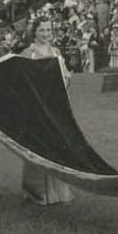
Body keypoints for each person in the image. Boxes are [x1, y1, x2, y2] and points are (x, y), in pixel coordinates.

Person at [19, 17, 75, 206]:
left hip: (55, 105)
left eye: (48, 30)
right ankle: (36, 190)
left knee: (56, 145)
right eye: (42, 30)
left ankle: (57, 189)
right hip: (37, 107)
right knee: (38, 145)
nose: (45, 34)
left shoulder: (56, 52)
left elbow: (65, 76)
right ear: (34, 32)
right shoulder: (29, 53)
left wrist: (65, 79)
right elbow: (24, 82)